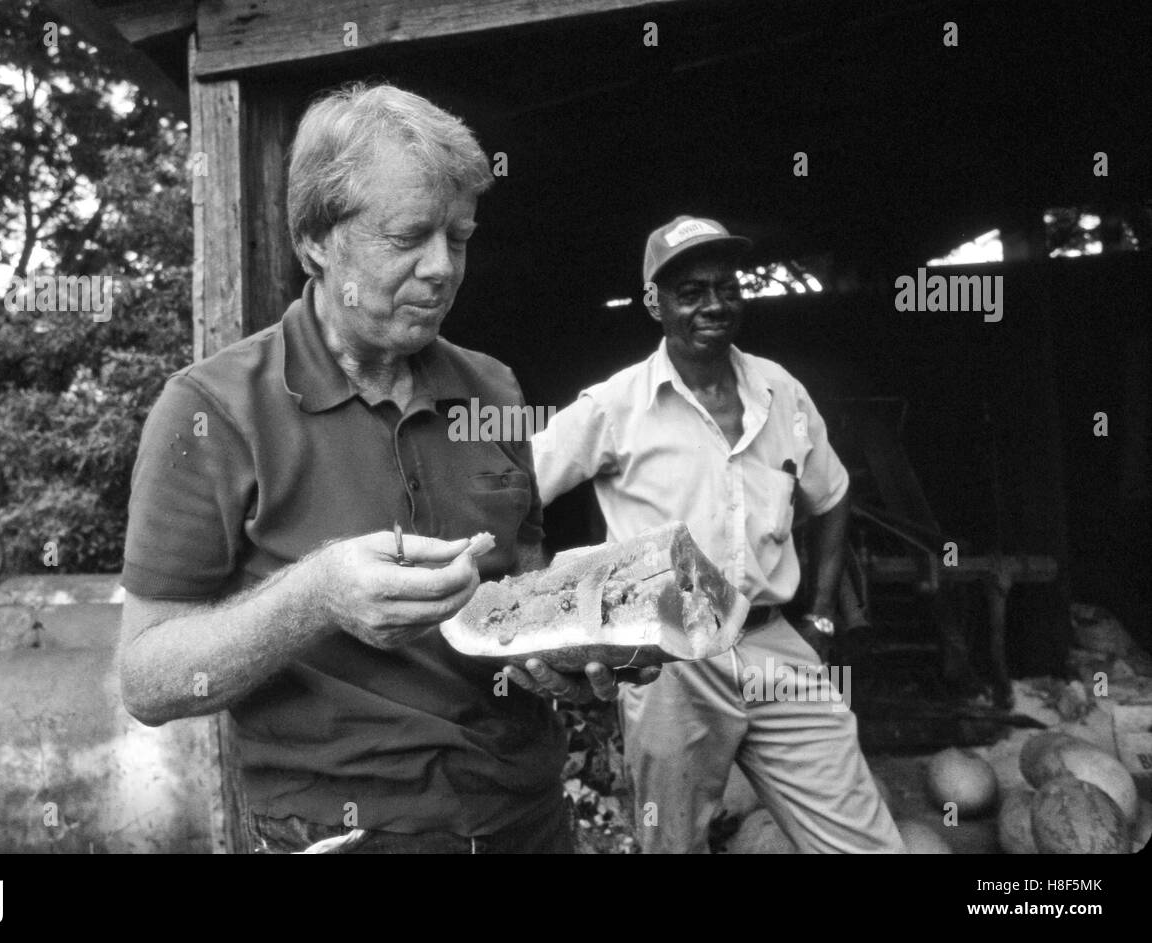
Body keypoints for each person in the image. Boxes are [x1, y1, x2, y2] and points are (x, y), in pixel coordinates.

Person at [117, 83, 642, 854]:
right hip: (340, 831)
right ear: (317, 243)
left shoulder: (493, 387)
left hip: (526, 818)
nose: (443, 269)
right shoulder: (211, 410)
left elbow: (520, 582)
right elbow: (146, 679)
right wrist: (315, 595)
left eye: (459, 237)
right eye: (409, 237)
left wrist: (571, 648)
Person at [533, 215, 905, 854]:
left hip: (773, 644)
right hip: (670, 665)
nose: (714, 304)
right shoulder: (615, 405)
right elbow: (520, 491)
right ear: (655, 304)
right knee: (671, 845)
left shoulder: (780, 390)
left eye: (726, 287)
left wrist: (818, 615)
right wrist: (554, 611)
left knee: (864, 844)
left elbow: (833, 494)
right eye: (691, 291)